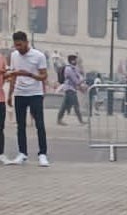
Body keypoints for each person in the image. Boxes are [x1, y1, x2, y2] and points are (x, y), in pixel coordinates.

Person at [5, 31, 51, 165]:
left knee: (39, 124)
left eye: (20, 45)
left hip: (35, 93)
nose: (18, 48)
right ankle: (22, 153)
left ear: (26, 42)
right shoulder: (14, 55)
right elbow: (14, 75)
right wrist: (10, 94)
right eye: (16, 45)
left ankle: (42, 154)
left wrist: (29, 75)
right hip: (20, 93)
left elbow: (44, 76)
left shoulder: (39, 56)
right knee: (20, 125)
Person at [58, 53, 87, 124]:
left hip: (71, 89)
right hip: (69, 89)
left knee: (64, 106)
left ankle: (59, 120)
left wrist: (81, 79)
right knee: (76, 105)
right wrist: (82, 81)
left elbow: (79, 75)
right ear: (72, 61)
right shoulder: (69, 69)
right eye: (75, 60)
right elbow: (76, 81)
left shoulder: (74, 68)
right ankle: (81, 121)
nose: (76, 61)